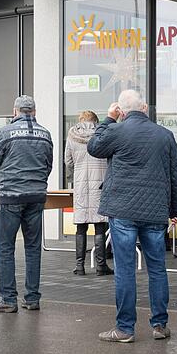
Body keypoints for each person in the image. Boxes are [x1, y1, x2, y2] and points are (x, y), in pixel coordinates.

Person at [88, 89, 177, 343]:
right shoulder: (165, 135)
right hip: (154, 212)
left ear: (121, 111)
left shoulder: (116, 131)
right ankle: (160, 324)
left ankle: (125, 329)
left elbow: (94, 147)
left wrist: (108, 119)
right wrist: (176, 211)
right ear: (144, 109)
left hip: (122, 212)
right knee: (157, 268)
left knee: (125, 269)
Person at [0, 95, 53, 313]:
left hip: (11, 196)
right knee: (33, 248)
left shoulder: (5, 133)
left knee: (5, 248)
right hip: (36, 196)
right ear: (34, 111)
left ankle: (8, 299)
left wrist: (1, 180)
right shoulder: (45, 134)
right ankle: (32, 298)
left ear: (15, 111)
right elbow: (48, 164)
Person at [65, 110, 113, 276]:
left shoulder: (72, 135)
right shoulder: (103, 135)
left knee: (81, 227)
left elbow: (68, 161)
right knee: (100, 226)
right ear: (96, 121)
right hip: (100, 183)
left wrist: (74, 177)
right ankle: (101, 266)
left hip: (80, 185)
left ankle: (80, 266)